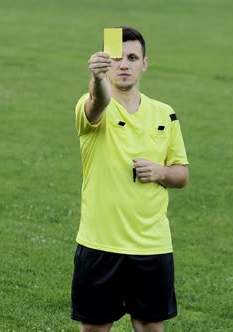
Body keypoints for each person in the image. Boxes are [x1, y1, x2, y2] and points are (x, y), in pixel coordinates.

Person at [71, 26, 189, 332]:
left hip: (151, 245)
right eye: (116, 58)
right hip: (101, 243)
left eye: (132, 57)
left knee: (151, 326)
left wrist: (160, 171)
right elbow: (97, 104)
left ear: (144, 64)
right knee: (95, 328)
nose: (124, 64)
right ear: (105, 63)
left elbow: (182, 174)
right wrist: (98, 79)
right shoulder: (94, 105)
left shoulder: (165, 114)